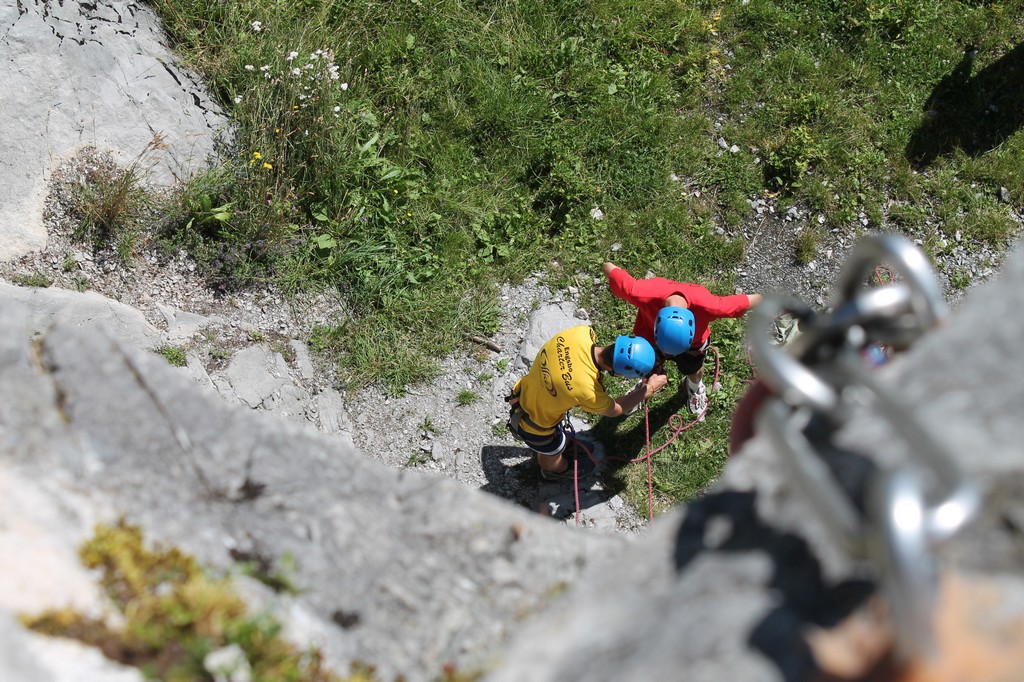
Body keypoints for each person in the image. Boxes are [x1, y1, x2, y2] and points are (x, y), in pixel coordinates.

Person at [603, 262, 762, 419]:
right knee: (645, 365)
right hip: (650, 338)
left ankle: (694, 386)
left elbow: (751, 301)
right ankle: (643, 390)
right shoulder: (640, 293)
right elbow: (608, 267)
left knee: (693, 368)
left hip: (692, 346)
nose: (667, 354)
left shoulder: (711, 306)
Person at [507, 325, 668, 480]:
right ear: (617, 373)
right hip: (534, 426)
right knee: (551, 450)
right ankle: (555, 471)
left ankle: (559, 447)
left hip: (522, 393)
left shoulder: (581, 333)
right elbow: (615, 410)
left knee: (554, 428)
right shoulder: (588, 390)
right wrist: (648, 389)